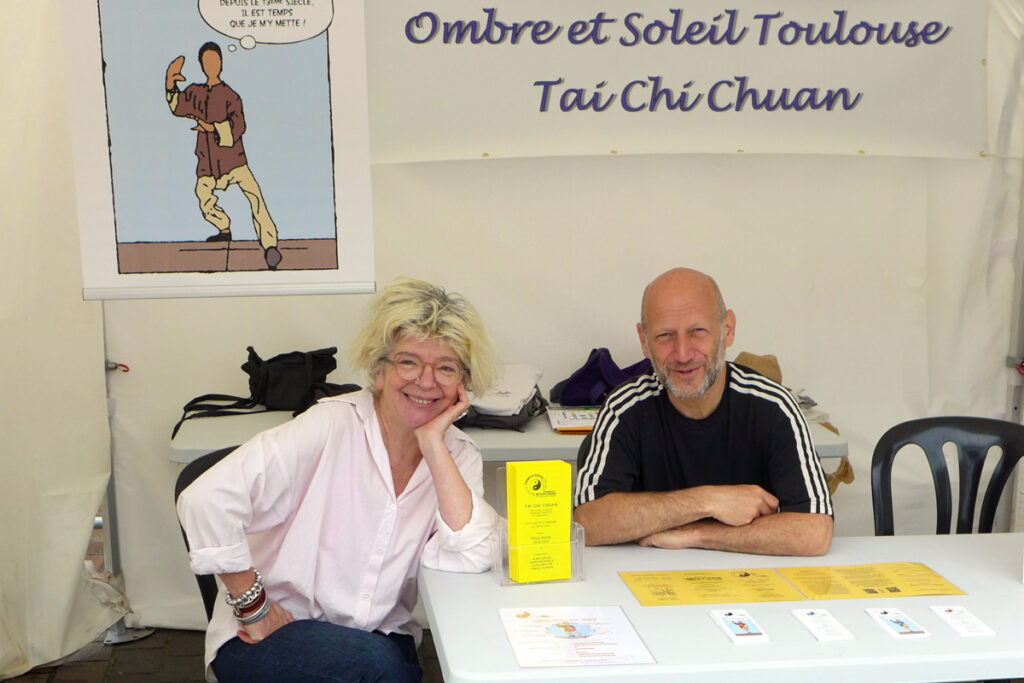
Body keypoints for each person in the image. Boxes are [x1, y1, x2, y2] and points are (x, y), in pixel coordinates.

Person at [176, 277, 499, 682]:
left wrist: (433, 442)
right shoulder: (330, 424)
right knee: (382, 670)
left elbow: (473, 556)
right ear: (379, 371)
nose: (426, 380)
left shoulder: (458, 453)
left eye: (446, 368)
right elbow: (204, 499)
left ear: (463, 385)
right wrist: (254, 608)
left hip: (379, 634)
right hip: (277, 629)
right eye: (408, 362)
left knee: (393, 664)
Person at [573, 267, 833, 556]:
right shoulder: (623, 409)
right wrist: (707, 501)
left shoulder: (775, 407)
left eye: (697, 332)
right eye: (664, 335)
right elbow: (589, 522)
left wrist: (696, 534)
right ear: (644, 341)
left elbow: (814, 532)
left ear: (728, 329)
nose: (683, 354)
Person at [165, 42, 282, 270]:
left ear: (221, 63)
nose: (212, 65)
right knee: (203, 196)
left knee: (255, 198)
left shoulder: (231, 96)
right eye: (207, 62)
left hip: (234, 160)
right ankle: (224, 228)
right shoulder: (195, 92)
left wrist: (212, 128)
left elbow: (238, 127)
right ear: (201, 65)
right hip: (207, 163)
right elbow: (177, 106)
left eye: (215, 61)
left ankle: (270, 246)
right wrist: (170, 81)